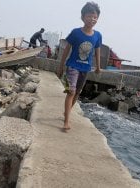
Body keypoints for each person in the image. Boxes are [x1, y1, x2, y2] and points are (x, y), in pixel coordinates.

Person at [57, 1, 102, 132]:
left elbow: (97, 51)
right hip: (72, 66)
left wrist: (98, 67)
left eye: (95, 17)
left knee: (77, 93)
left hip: (85, 68)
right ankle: (66, 121)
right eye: (89, 16)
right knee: (71, 92)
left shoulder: (98, 35)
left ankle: (67, 113)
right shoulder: (76, 32)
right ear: (83, 17)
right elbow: (66, 49)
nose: (92, 19)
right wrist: (60, 66)